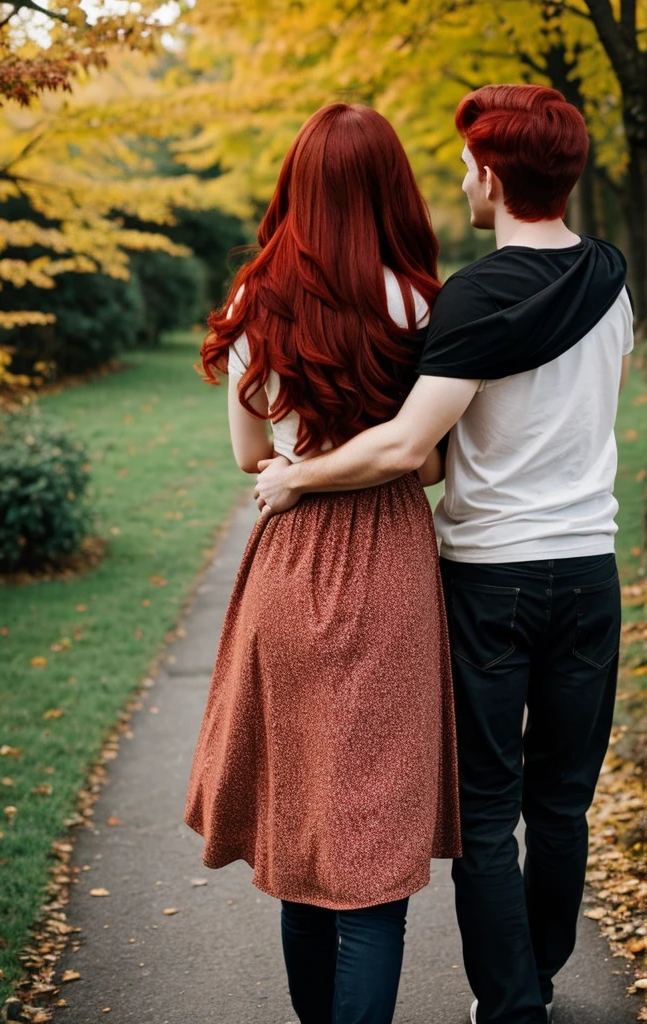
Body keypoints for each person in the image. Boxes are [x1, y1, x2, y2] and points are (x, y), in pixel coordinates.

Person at [255, 84, 634, 1024]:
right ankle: (535, 983)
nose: (461, 179)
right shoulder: (615, 280)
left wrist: (295, 481)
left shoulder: (471, 298)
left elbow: (403, 451)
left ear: (494, 178)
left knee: (487, 813)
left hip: (491, 579)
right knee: (562, 806)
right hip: (590, 569)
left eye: (469, 165)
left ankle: (511, 1008)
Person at [183, 102, 462, 1024]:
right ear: (390, 189)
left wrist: (301, 468)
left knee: (302, 833)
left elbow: (246, 458)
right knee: (372, 850)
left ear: (296, 185)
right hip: (387, 559)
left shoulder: (250, 304)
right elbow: (422, 462)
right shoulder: (423, 303)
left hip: (291, 560)